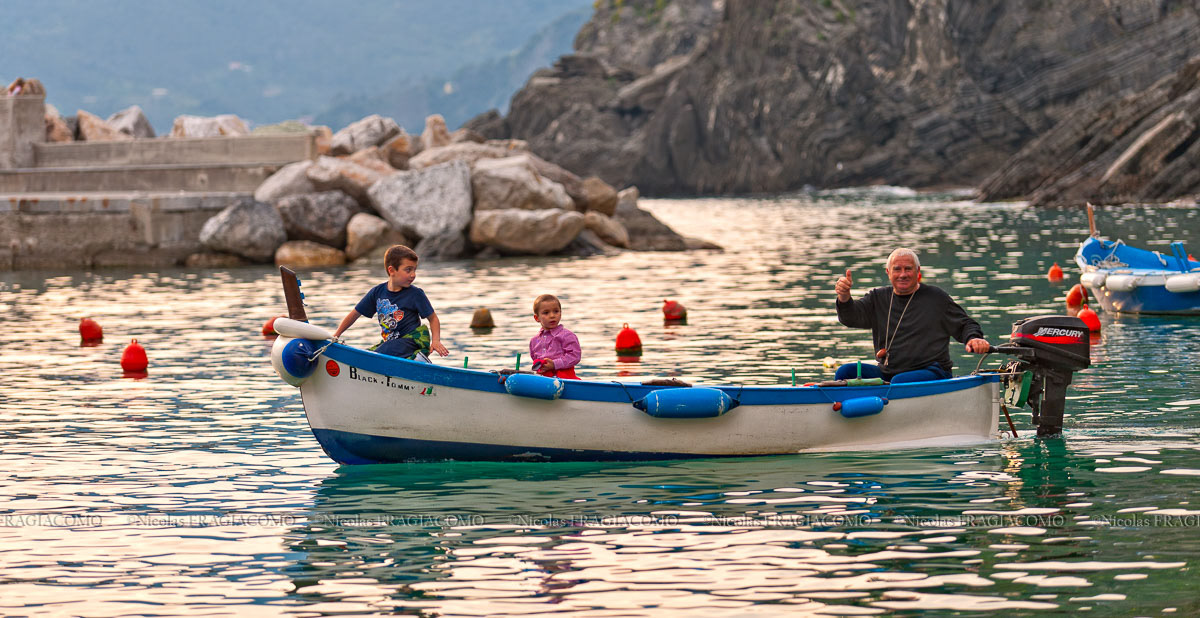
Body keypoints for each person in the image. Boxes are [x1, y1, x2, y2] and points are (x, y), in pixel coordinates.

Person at [834, 247, 990, 384]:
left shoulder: (936, 298)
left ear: (918, 271)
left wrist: (973, 338)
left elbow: (965, 324)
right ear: (888, 272)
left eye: (908, 269)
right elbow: (851, 317)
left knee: (899, 381)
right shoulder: (877, 297)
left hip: (931, 371)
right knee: (845, 372)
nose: (903, 274)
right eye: (897, 269)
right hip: (889, 372)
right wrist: (844, 297)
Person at [333, 244, 448, 361]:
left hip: (412, 341)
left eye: (414, 269)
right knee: (368, 353)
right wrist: (336, 335)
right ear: (392, 270)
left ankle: (417, 357)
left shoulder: (415, 294)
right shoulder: (377, 292)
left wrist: (436, 341)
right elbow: (355, 314)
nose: (413, 275)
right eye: (408, 270)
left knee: (379, 354)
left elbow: (433, 318)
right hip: (391, 344)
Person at [529, 294, 581, 380]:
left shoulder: (567, 335)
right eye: (546, 313)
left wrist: (554, 364)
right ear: (537, 318)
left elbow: (575, 356)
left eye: (556, 311)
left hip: (566, 379)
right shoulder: (534, 341)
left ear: (561, 313)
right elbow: (535, 360)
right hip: (544, 380)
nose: (552, 316)